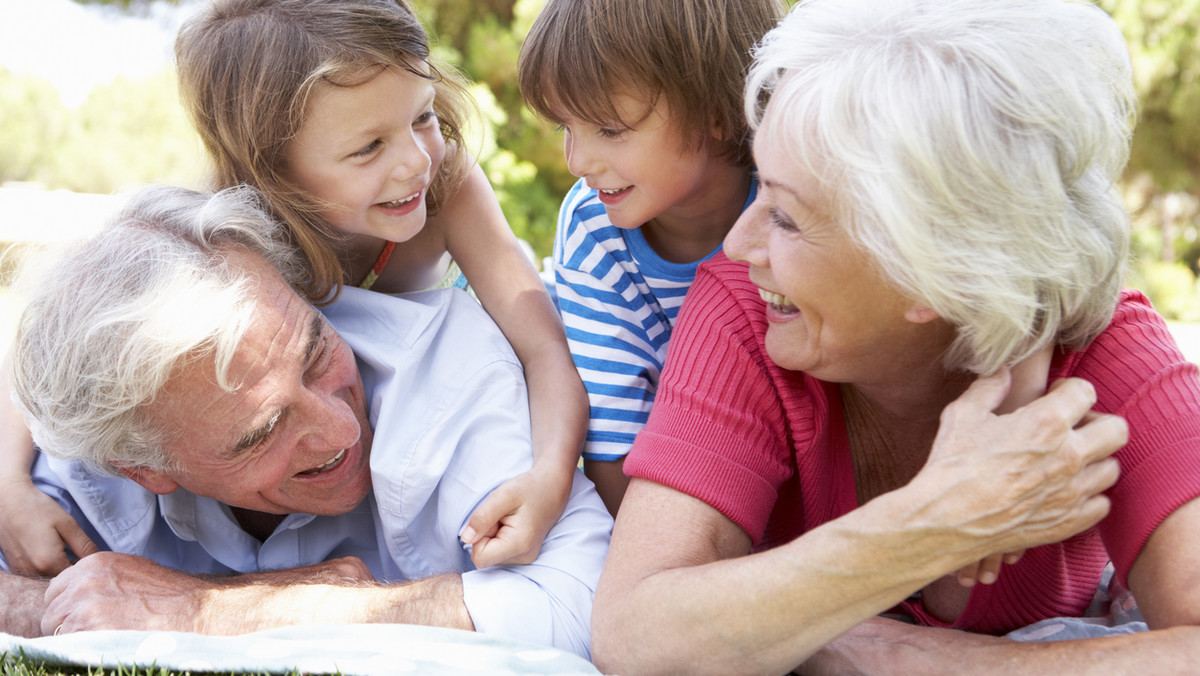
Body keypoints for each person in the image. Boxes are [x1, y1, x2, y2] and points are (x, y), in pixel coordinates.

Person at [590, 0, 1200, 673]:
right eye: (759, 187)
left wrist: (901, 654)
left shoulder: (1105, 348)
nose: (738, 242)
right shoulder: (747, 313)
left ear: (935, 270)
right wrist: (924, 526)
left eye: (787, 218)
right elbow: (633, 634)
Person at [0, 0, 589, 575]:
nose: (415, 160)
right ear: (272, 167)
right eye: (368, 147)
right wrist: (9, 486)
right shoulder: (229, 231)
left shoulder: (446, 187)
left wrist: (550, 474)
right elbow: (52, 349)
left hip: (453, 408)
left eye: (422, 116)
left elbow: (543, 345)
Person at [0, 185, 611, 658]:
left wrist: (202, 610)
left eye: (317, 354)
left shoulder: (454, 373)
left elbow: (585, 609)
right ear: (143, 467)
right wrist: (50, 605)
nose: (342, 431)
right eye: (261, 431)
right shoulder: (100, 434)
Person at [517, 0, 785, 514]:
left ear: (714, 111)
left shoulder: (789, 193)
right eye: (565, 128)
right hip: (683, 477)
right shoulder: (594, 227)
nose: (578, 162)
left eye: (610, 130)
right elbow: (613, 444)